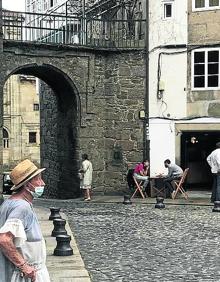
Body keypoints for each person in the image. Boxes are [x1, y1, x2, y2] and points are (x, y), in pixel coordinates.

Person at [0, 159, 50, 282]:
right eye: (38, 179)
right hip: (24, 275)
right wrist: (24, 266)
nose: (42, 183)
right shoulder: (21, 207)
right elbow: (4, 239)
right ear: (27, 185)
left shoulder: (10, 202)